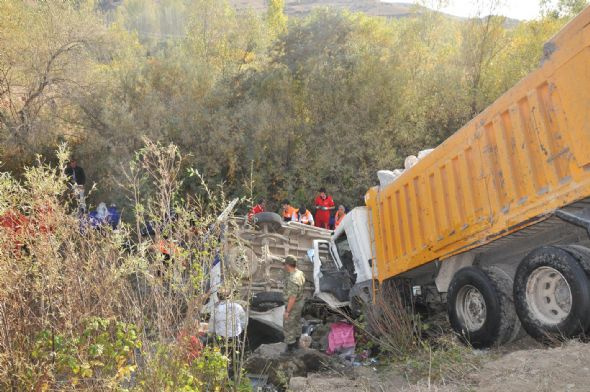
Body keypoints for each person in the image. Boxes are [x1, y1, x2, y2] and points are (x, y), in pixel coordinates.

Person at [282, 255, 305, 352]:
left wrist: (287, 311)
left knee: (288, 325)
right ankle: (297, 344)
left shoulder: (293, 279)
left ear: (287, 265)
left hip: (293, 305)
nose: (284, 266)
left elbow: (292, 298)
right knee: (297, 323)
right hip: (299, 303)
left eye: (284, 264)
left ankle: (290, 348)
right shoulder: (300, 273)